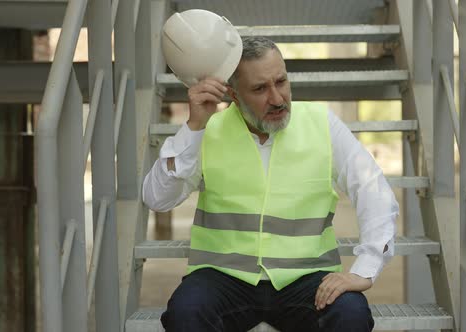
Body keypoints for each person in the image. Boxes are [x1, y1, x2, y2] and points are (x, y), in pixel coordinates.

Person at [143, 36, 398, 332]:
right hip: (222, 277)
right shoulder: (206, 130)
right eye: (260, 88)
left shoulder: (322, 124)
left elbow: (372, 189)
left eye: (281, 82)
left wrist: (365, 268)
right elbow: (156, 198)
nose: (277, 98)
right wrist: (194, 128)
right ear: (234, 95)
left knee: (350, 314)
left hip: (307, 277)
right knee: (184, 314)